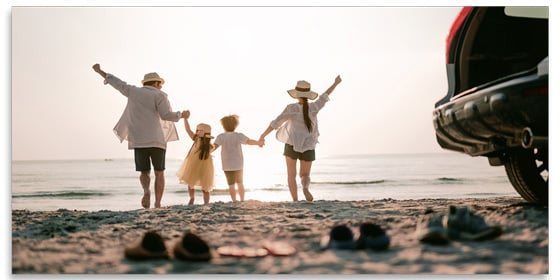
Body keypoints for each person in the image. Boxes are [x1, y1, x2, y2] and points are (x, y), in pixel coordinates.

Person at [92, 64, 186, 209]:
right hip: (156, 140)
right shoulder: (160, 95)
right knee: (159, 172)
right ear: (155, 83)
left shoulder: (133, 91)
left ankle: (146, 191)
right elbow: (166, 115)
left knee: (144, 171)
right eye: (160, 84)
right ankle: (158, 203)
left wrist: (100, 71)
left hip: (139, 139)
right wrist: (181, 115)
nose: (161, 87)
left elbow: (117, 83)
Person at [259, 75, 342, 202]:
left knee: (291, 175)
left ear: (296, 95)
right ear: (308, 95)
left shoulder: (291, 108)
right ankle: (305, 187)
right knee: (305, 175)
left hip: (292, 144)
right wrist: (335, 83)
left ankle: (295, 200)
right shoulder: (314, 107)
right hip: (309, 145)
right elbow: (325, 96)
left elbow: (276, 123)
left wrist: (263, 136)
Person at [213, 115, 264, 202]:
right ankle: (242, 200)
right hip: (238, 164)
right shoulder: (238, 136)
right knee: (240, 183)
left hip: (227, 165)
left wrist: (205, 151)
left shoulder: (220, 137)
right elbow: (249, 142)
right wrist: (258, 143)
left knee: (231, 185)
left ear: (223, 126)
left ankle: (234, 200)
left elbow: (214, 147)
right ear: (235, 125)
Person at [176, 111, 215, 205]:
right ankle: (192, 198)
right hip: (193, 164)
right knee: (190, 182)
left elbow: (212, 147)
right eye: (197, 130)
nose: (197, 132)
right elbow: (188, 130)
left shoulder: (209, 146)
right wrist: (185, 119)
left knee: (205, 186)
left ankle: (206, 202)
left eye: (200, 131)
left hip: (205, 167)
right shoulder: (196, 139)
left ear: (205, 133)